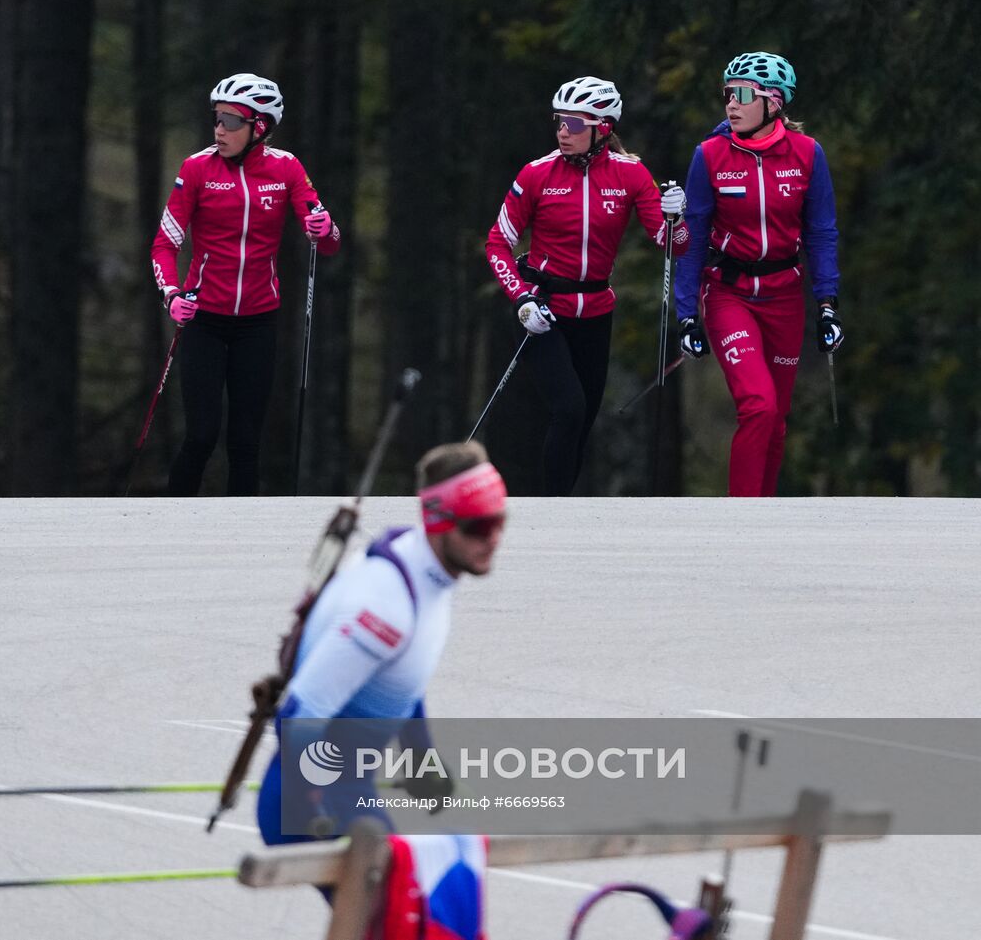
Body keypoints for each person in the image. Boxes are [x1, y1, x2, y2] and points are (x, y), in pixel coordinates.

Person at [256, 440, 506, 847]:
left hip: (346, 787)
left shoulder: (423, 571)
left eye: (499, 522)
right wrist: (318, 805)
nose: (493, 539)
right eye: (477, 527)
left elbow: (402, 680)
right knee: (407, 903)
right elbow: (298, 715)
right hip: (308, 801)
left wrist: (420, 763)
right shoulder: (387, 611)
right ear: (439, 520)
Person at [485, 76, 689, 495]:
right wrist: (521, 298)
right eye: (560, 121)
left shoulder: (631, 174)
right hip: (542, 308)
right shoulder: (537, 173)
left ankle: (564, 508)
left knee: (584, 418)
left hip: (596, 310)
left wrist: (677, 219)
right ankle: (552, 510)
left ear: (604, 128)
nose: (563, 131)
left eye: (575, 124)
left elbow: (672, 245)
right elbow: (497, 243)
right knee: (569, 408)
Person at [150, 73, 341, 496]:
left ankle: (244, 541)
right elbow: (164, 244)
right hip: (204, 319)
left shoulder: (286, 168)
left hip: (258, 322)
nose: (219, 129)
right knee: (201, 435)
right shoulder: (196, 168)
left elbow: (327, 241)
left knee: (246, 442)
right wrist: (172, 295)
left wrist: (324, 228)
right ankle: (167, 529)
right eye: (217, 118)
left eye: (231, 121)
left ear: (261, 127)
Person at [674, 52, 842, 497]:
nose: (730, 103)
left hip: (784, 295)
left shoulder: (807, 153)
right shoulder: (709, 155)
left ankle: (764, 519)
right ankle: (740, 519)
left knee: (778, 418)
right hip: (729, 294)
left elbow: (822, 232)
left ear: (774, 103)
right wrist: (686, 313)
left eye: (742, 94)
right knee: (759, 407)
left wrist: (828, 305)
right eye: (727, 92)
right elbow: (691, 238)